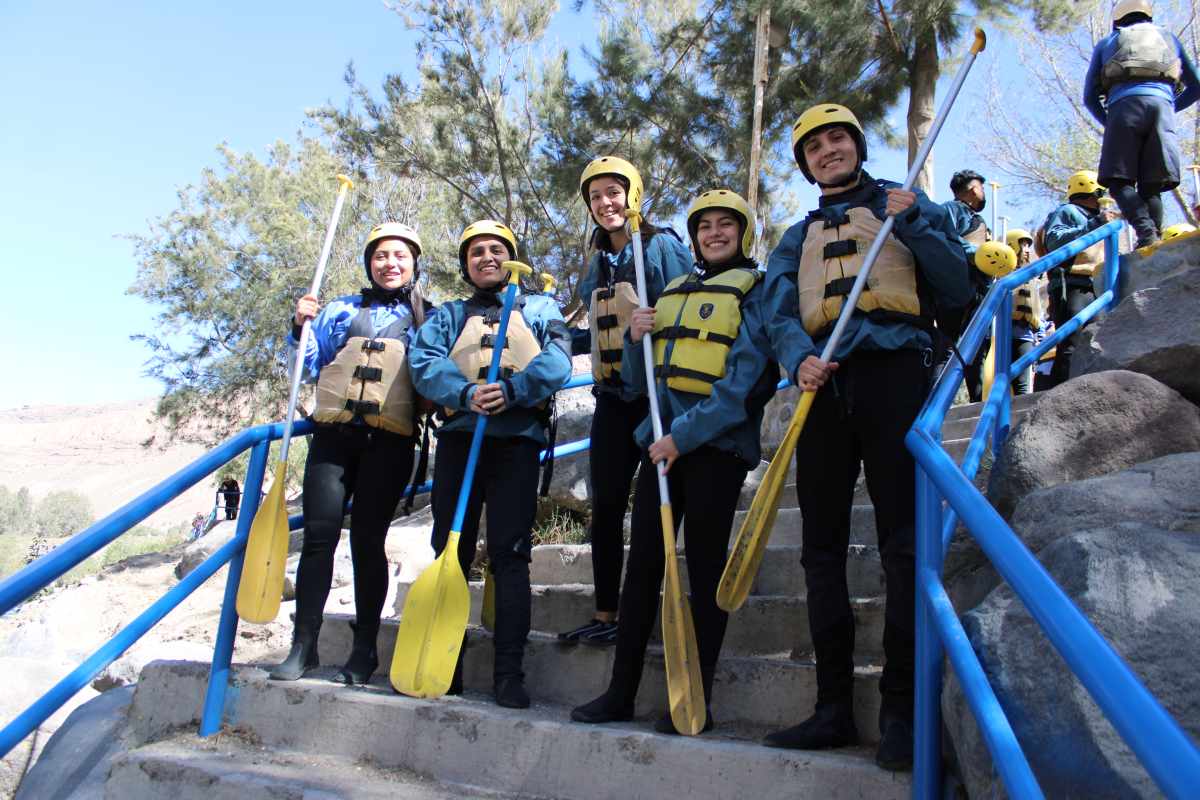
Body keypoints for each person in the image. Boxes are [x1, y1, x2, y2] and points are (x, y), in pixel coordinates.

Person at [758, 104, 971, 770]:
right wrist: (798, 358)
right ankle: (832, 709)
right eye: (815, 146)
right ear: (806, 163)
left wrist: (919, 221)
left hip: (894, 374)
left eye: (838, 139)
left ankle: (902, 711)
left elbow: (956, 287)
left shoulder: (907, 206)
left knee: (903, 545)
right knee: (820, 550)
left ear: (856, 146)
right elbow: (776, 309)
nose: (828, 150)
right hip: (822, 386)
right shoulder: (796, 237)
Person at [570, 189, 776, 734]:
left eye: (725, 225)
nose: (714, 233)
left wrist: (680, 438)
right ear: (694, 236)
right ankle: (620, 691)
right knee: (641, 573)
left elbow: (746, 384)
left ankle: (695, 698)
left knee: (705, 570)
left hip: (716, 451)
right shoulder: (674, 293)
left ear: (741, 233)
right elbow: (644, 385)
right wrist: (638, 339)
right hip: (663, 449)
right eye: (704, 225)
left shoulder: (754, 292)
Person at [410, 220, 572, 709]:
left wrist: (512, 390)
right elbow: (423, 361)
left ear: (511, 257)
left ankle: (509, 673)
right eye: (477, 251)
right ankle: (446, 664)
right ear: (466, 264)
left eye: (497, 250)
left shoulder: (540, 308)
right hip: (462, 442)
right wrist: (463, 393)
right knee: (450, 550)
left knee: (509, 553)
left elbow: (559, 360)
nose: (487, 257)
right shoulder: (448, 316)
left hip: (516, 443)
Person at [270, 222, 431, 686]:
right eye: (381, 256)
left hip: (390, 443)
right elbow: (308, 364)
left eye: (400, 256)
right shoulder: (339, 310)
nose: (390, 263)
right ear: (370, 263)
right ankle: (304, 646)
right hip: (333, 440)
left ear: (414, 263)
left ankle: (364, 652)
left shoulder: (430, 317)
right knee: (319, 537)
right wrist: (299, 326)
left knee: (366, 541)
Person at [559, 157, 692, 647]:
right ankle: (606, 612)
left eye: (613, 192)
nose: (605, 203)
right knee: (608, 506)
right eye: (595, 197)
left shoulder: (661, 246)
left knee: (655, 507)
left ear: (633, 194)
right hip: (612, 399)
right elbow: (593, 329)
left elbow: (684, 307)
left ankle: (643, 610)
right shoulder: (596, 263)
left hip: (657, 396)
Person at [1084, 0, 1200, 248]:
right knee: (1152, 184)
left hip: (1123, 110)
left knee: (1117, 181)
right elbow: (1196, 85)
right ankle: (1154, 240)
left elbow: (1089, 97)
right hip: (1162, 110)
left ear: (1118, 19)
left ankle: (1146, 233)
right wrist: (1170, 106)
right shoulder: (1169, 38)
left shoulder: (1108, 43)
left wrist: (1109, 122)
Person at [1041, 171, 1119, 387]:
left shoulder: (1098, 219)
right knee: (1071, 343)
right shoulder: (1068, 211)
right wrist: (1093, 224)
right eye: (1100, 193)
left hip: (1096, 287)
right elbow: (1054, 240)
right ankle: (1060, 393)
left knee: (1096, 342)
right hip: (1072, 285)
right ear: (1092, 189)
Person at [939, 169, 993, 402]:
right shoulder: (951, 210)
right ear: (973, 189)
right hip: (957, 287)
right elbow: (946, 239)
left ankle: (976, 401)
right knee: (949, 346)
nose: (983, 193)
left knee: (978, 347)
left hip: (979, 289)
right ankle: (939, 401)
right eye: (981, 187)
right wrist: (978, 254)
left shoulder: (975, 218)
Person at [1005, 229, 1046, 395]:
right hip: (1003, 333)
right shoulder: (1001, 274)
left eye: (1029, 246)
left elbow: (1036, 304)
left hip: (1025, 334)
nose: (1028, 250)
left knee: (1022, 383)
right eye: (1024, 246)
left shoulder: (1031, 276)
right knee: (1002, 380)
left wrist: (1040, 330)